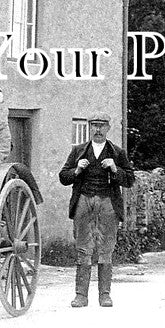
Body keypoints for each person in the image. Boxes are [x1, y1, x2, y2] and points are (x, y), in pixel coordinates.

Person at [59, 111, 135, 308]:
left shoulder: (117, 153)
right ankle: (81, 296)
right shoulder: (78, 151)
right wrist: (76, 170)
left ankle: (105, 295)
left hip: (108, 202)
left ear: (108, 128)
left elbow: (129, 180)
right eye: (94, 125)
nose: (98, 129)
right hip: (84, 201)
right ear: (89, 128)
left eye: (102, 126)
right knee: (83, 248)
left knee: (105, 249)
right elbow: (63, 177)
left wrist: (115, 169)